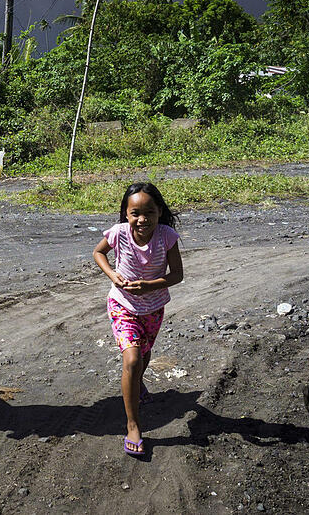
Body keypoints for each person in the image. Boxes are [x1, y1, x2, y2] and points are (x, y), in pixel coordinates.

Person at [93, 182, 183, 456]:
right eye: (135, 213)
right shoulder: (119, 233)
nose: (142, 219)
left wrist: (150, 285)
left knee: (143, 356)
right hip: (122, 305)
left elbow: (177, 274)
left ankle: (137, 383)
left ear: (159, 213)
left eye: (149, 212)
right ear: (126, 214)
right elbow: (98, 253)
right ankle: (133, 425)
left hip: (154, 307)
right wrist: (113, 276)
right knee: (131, 359)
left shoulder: (166, 236)